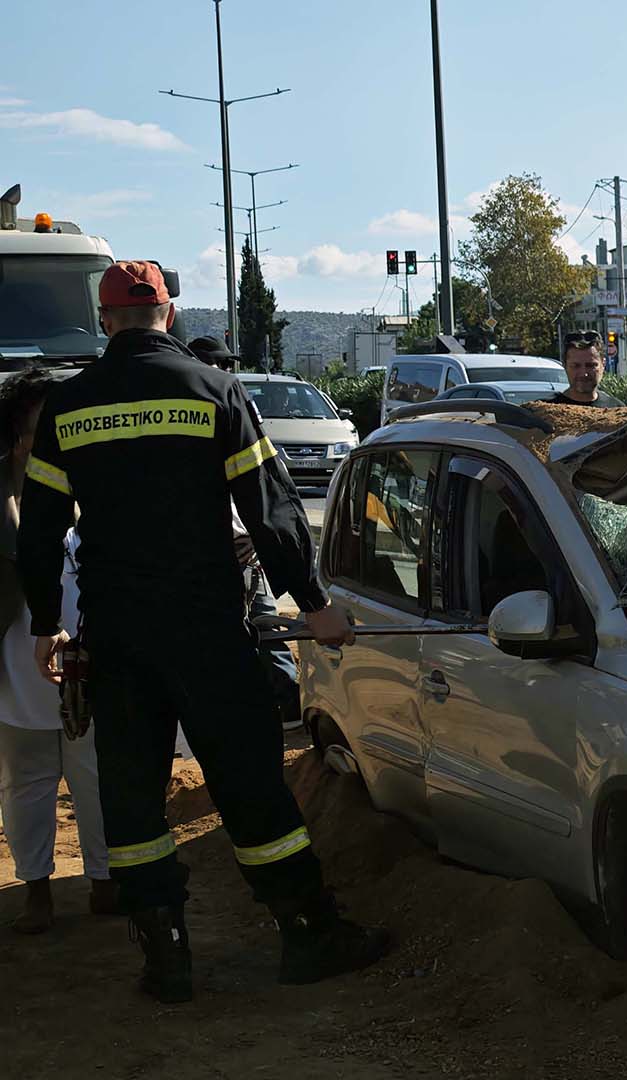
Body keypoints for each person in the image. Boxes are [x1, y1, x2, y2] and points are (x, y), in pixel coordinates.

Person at [16, 261, 387, 1003]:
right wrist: (313, 605)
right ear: (169, 315)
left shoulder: (69, 405)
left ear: (103, 318)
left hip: (116, 634)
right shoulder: (215, 390)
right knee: (249, 780)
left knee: (130, 793)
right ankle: (308, 933)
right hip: (206, 629)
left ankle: (165, 958)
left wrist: (44, 625)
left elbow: (41, 529)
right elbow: (271, 507)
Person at [0, 368, 114, 932]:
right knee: (29, 780)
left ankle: (103, 880)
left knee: (93, 775)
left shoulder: (94, 487)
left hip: (86, 662)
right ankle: (36, 890)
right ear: (19, 436)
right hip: (19, 668)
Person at [185, 336, 301, 730]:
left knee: (266, 627)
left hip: (244, 549)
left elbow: (267, 486)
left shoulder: (231, 411)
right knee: (244, 632)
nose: (227, 372)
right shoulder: (213, 414)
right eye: (221, 364)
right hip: (221, 554)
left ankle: (285, 705)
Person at [547, 333, 626, 408]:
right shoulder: (545, 413)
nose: (584, 373)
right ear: (564, 365)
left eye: (591, 365)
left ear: (603, 365)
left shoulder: (618, 410)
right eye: (576, 366)